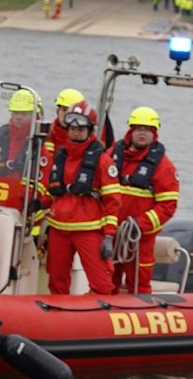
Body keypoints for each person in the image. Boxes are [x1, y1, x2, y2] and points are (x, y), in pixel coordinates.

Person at [36, 101, 122, 295]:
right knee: (57, 282)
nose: (75, 133)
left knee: (102, 284)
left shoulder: (102, 159)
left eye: (80, 129)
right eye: (72, 128)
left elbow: (112, 200)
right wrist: (40, 203)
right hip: (59, 228)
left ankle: (93, 318)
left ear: (89, 130)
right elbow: (55, 191)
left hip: (88, 228)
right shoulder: (61, 155)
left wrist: (109, 236)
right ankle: (61, 319)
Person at [110, 106, 180, 293]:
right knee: (106, 282)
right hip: (111, 233)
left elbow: (167, 206)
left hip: (141, 237)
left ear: (154, 133)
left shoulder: (163, 167)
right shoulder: (112, 156)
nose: (142, 133)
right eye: (139, 129)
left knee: (139, 284)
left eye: (147, 130)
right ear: (131, 131)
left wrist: (138, 225)